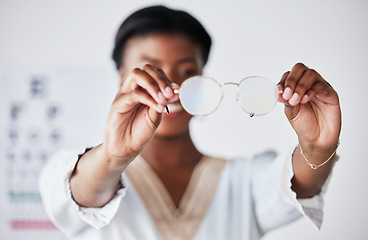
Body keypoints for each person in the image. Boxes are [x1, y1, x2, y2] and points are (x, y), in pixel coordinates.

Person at [39, 5, 341, 240]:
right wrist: (112, 156)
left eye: (186, 71)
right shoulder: (78, 169)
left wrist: (317, 145)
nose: (173, 87)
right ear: (122, 77)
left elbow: (295, 185)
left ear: (203, 76)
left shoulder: (244, 180)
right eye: (152, 70)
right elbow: (80, 195)